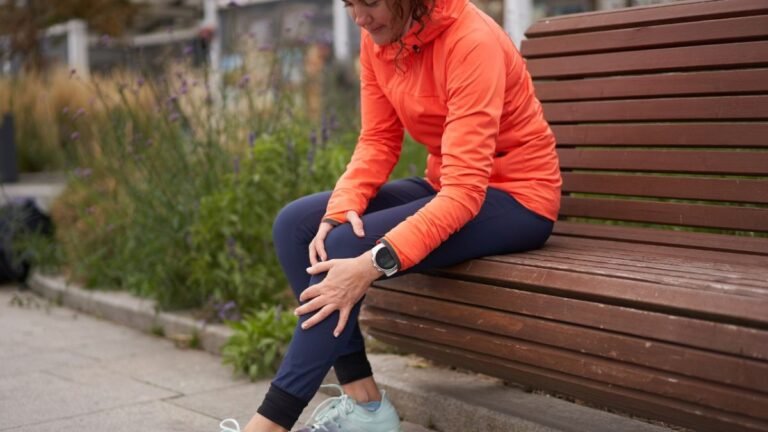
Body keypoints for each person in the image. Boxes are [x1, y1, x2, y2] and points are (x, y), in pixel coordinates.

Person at [221, 0, 561, 430]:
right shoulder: (380, 38)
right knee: (300, 226)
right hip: (451, 184)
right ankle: (367, 408)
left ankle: (269, 424)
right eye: (349, 4)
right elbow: (379, 139)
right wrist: (339, 209)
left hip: (517, 199)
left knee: (348, 246)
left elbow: (465, 193)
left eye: (370, 3)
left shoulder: (471, 41)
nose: (360, 17)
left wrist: (373, 263)